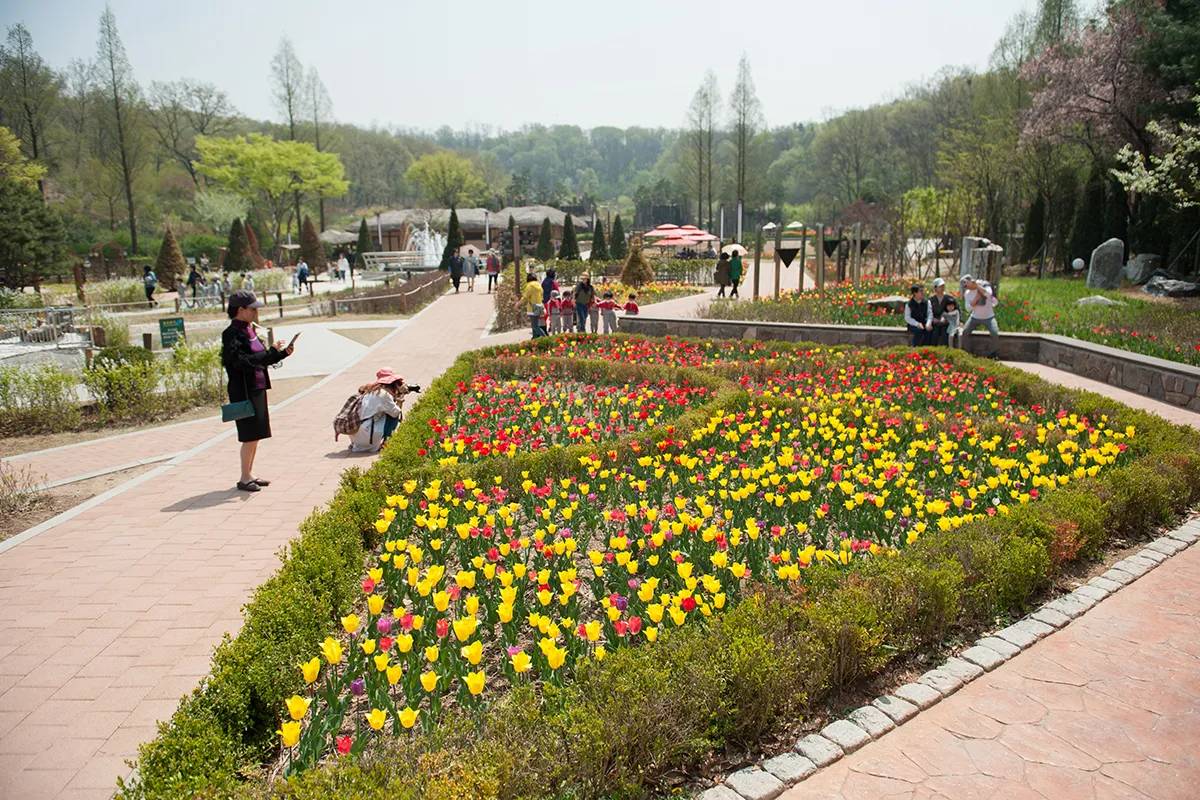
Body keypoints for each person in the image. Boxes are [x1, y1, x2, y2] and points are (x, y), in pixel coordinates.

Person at [221, 290, 294, 492]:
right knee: (249, 434)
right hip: (244, 391)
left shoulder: (249, 330)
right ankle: (244, 478)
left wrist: (280, 354)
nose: (255, 312)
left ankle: (249, 474)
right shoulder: (231, 333)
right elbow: (240, 362)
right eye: (252, 308)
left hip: (258, 387)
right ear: (240, 309)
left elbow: (261, 358)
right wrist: (268, 353)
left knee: (257, 433)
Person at [348, 368, 413, 453]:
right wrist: (400, 396)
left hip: (355, 435)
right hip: (368, 438)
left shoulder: (370, 390)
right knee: (392, 416)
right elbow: (396, 413)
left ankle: (354, 443)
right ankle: (386, 444)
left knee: (381, 412)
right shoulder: (383, 394)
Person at [960, 274, 1000, 357]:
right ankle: (967, 352)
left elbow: (989, 294)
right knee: (965, 332)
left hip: (989, 317)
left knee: (995, 333)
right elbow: (968, 309)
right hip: (975, 317)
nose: (965, 286)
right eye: (964, 285)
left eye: (966, 284)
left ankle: (993, 353)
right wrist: (975, 300)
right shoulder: (967, 293)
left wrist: (977, 286)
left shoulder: (984, 285)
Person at [519, 273, 546, 339]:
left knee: (534, 326)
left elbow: (525, 297)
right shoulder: (539, 286)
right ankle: (534, 338)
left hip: (532, 307)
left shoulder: (530, 286)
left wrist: (518, 303)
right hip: (539, 306)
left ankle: (546, 337)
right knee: (535, 325)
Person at [929, 277, 953, 347]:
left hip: (946, 322)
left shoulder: (949, 298)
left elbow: (956, 309)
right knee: (934, 333)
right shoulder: (932, 299)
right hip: (935, 322)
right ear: (935, 288)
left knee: (945, 333)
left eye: (943, 286)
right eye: (940, 286)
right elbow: (929, 311)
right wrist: (933, 319)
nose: (942, 288)